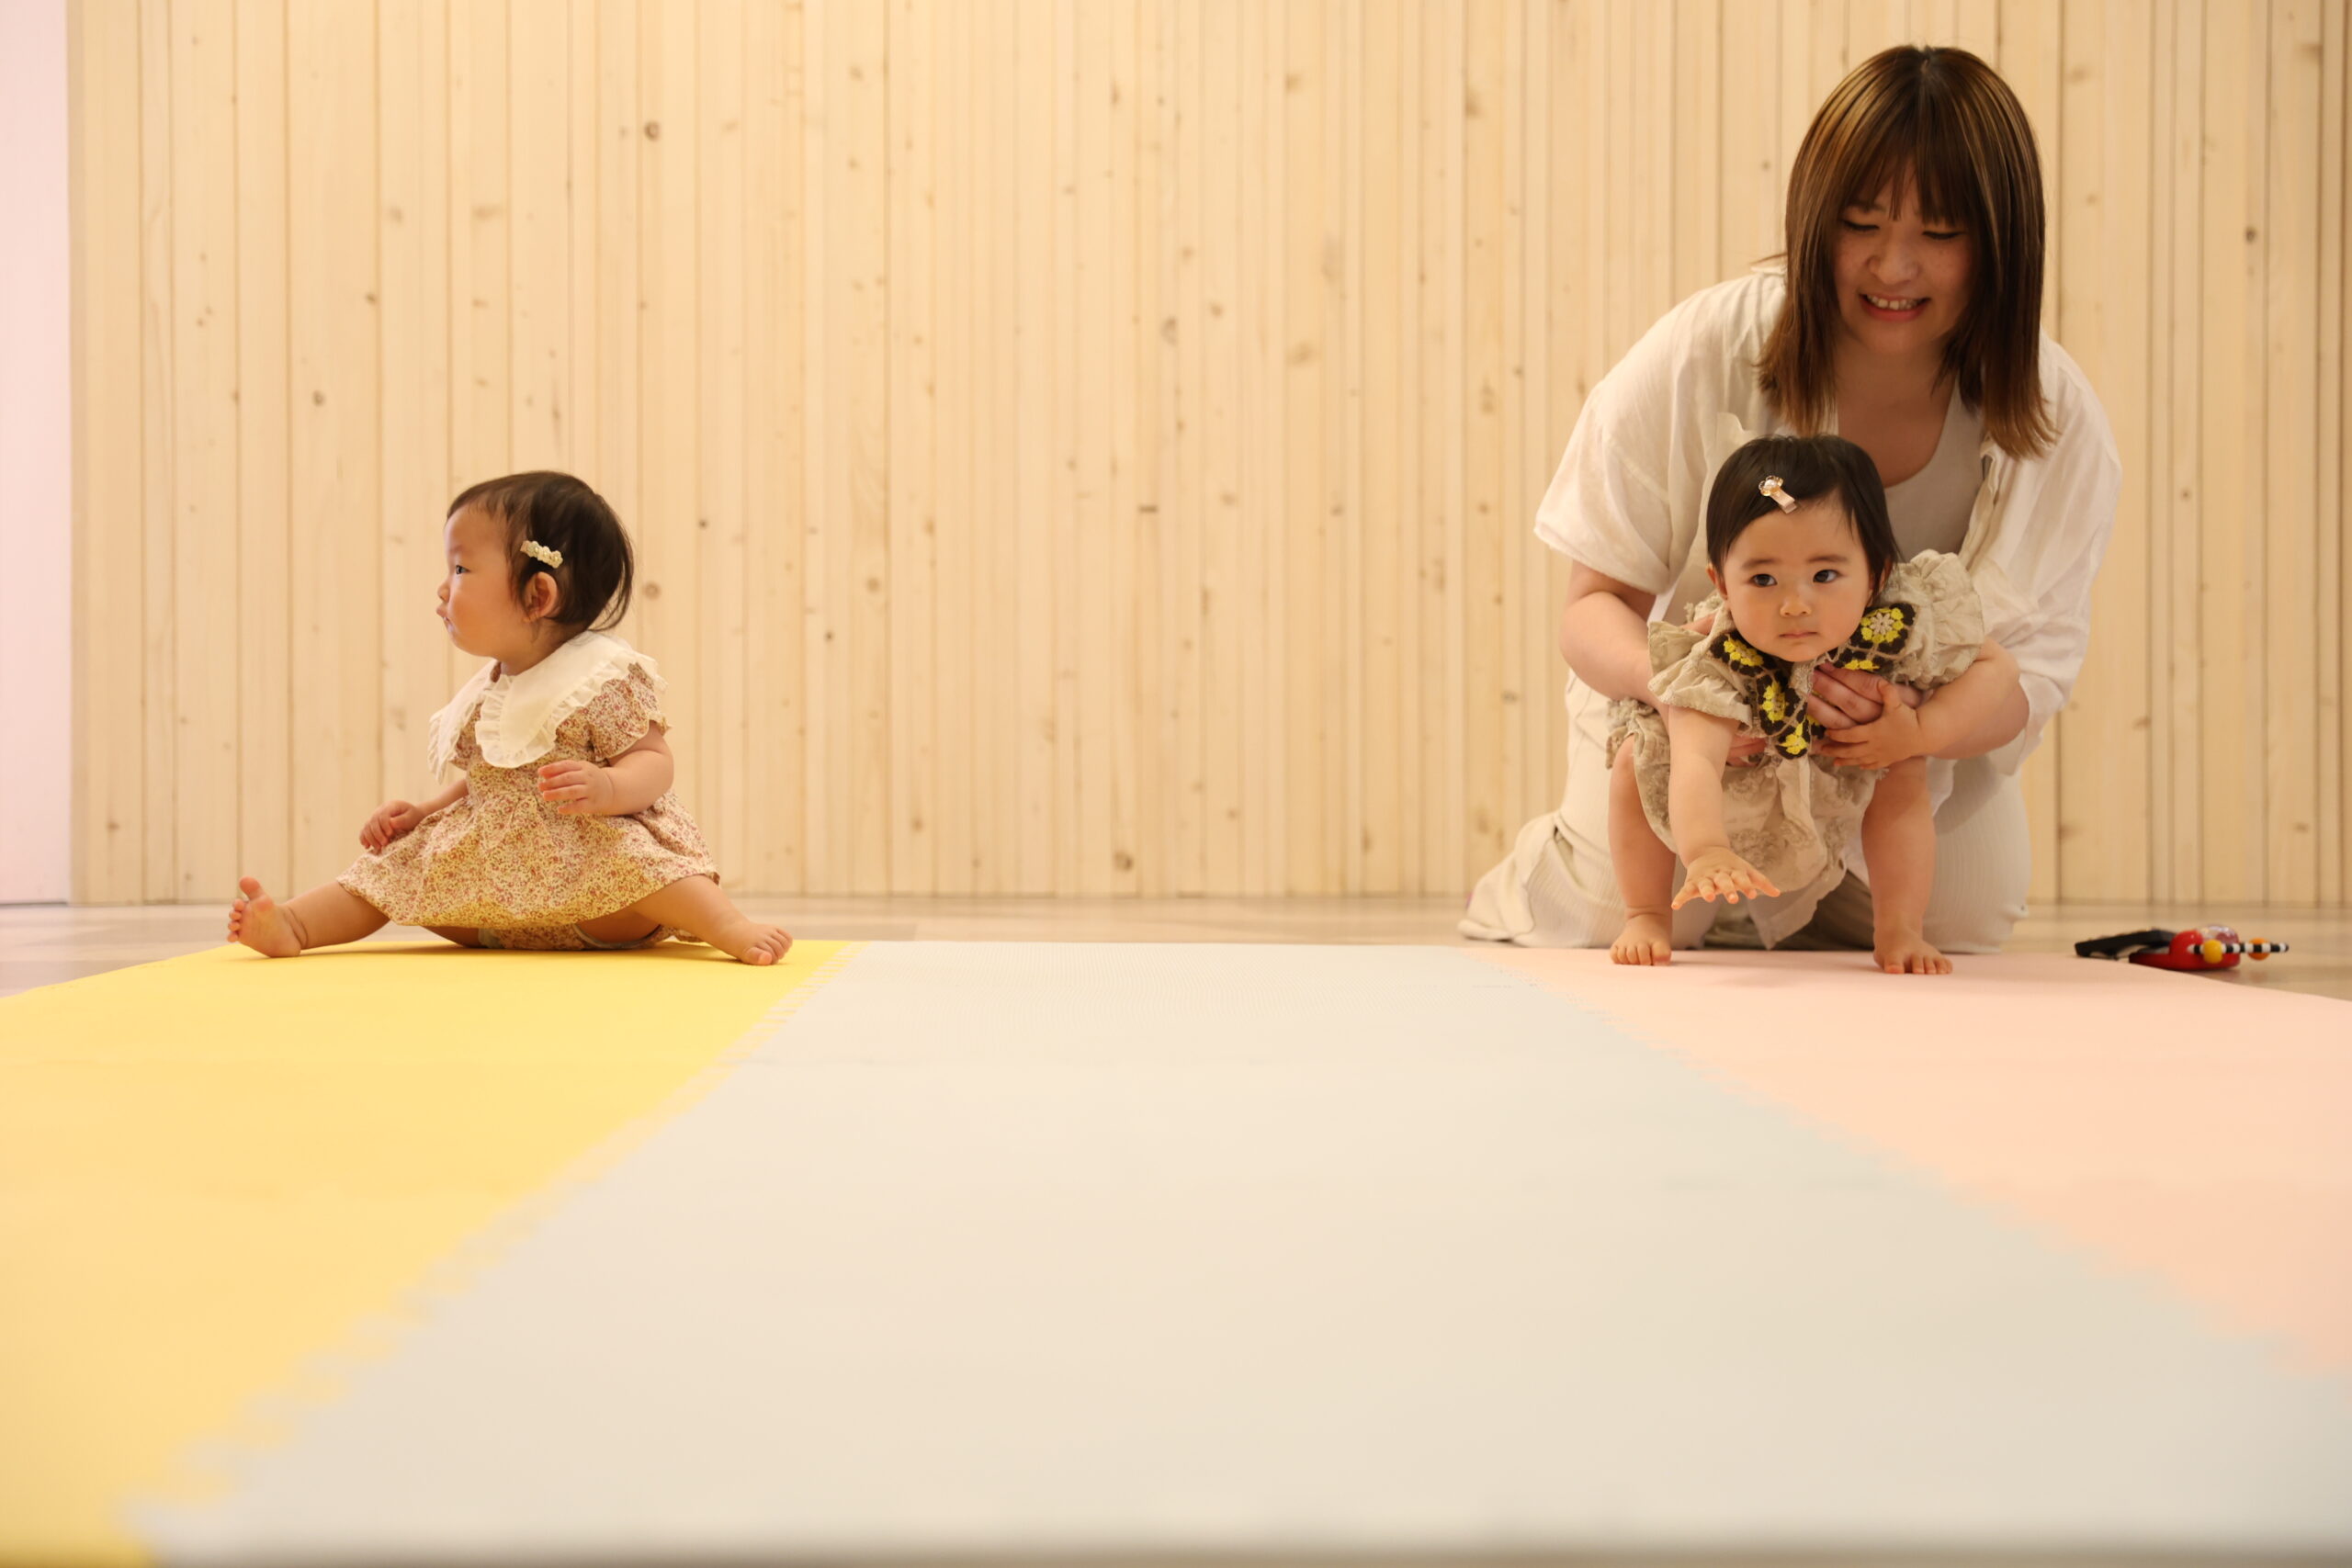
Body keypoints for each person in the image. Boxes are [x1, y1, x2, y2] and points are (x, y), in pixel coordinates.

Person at [1464, 44, 2120, 953]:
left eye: (1939, 234)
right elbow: (1591, 606)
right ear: (1815, 222)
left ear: (2002, 245)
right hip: (1696, 730)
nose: (1894, 267)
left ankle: (1784, 894)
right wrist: (1688, 694)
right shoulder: (1703, 348)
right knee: (1621, 913)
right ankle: (1605, 871)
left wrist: (1910, 730)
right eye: (1860, 224)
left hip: (1894, 754)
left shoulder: (2052, 412)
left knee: (1959, 916)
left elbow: (2027, 676)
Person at [226, 471, 793, 964]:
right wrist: (423, 812)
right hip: (500, 899)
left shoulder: (597, 677)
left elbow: (654, 761)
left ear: (537, 596)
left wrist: (609, 788)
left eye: (461, 568)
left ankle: (728, 926)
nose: (443, 587)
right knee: (397, 865)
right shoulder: (490, 690)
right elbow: (487, 780)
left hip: (596, 891)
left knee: (645, 863)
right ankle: (295, 926)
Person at [1608, 434, 2017, 974]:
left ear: (1876, 574)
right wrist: (1706, 849)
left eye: (1825, 576)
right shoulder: (1721, 654)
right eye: (1762, 579)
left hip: (1840, 757)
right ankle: (1644, 913)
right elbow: (1696, 760)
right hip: (1736, 774)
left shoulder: (1900, 619)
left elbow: (1998, 667)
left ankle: (1900, 927)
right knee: (1636, 761)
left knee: (1905, 767)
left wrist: (1922, 729)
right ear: (1722, 585)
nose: (1794, 605)